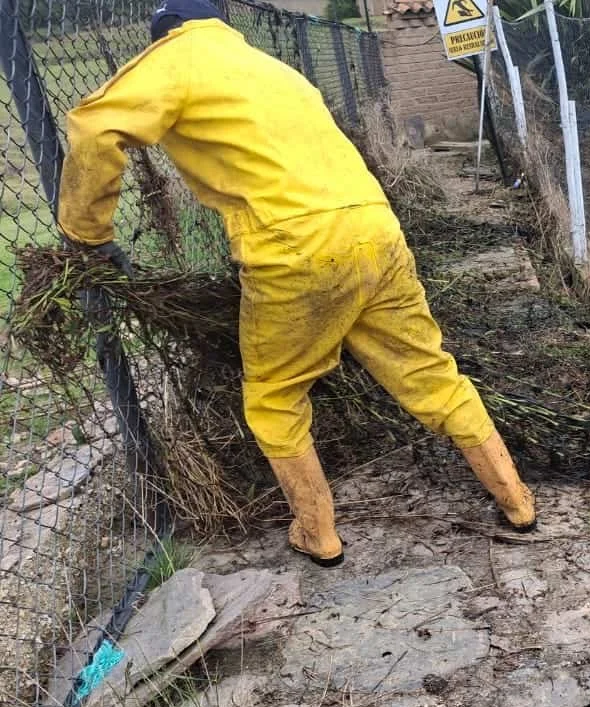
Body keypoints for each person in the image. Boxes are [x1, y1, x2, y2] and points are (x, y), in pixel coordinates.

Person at [56, 0, 535, 567]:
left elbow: (93, 125)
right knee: (431, 374)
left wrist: (86, 235)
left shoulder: (176, 58)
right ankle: (517, 501)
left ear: (163, 29)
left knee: (276, 397)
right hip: (375, 230)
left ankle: (317, 532)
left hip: (294, 249)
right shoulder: (270, 67)